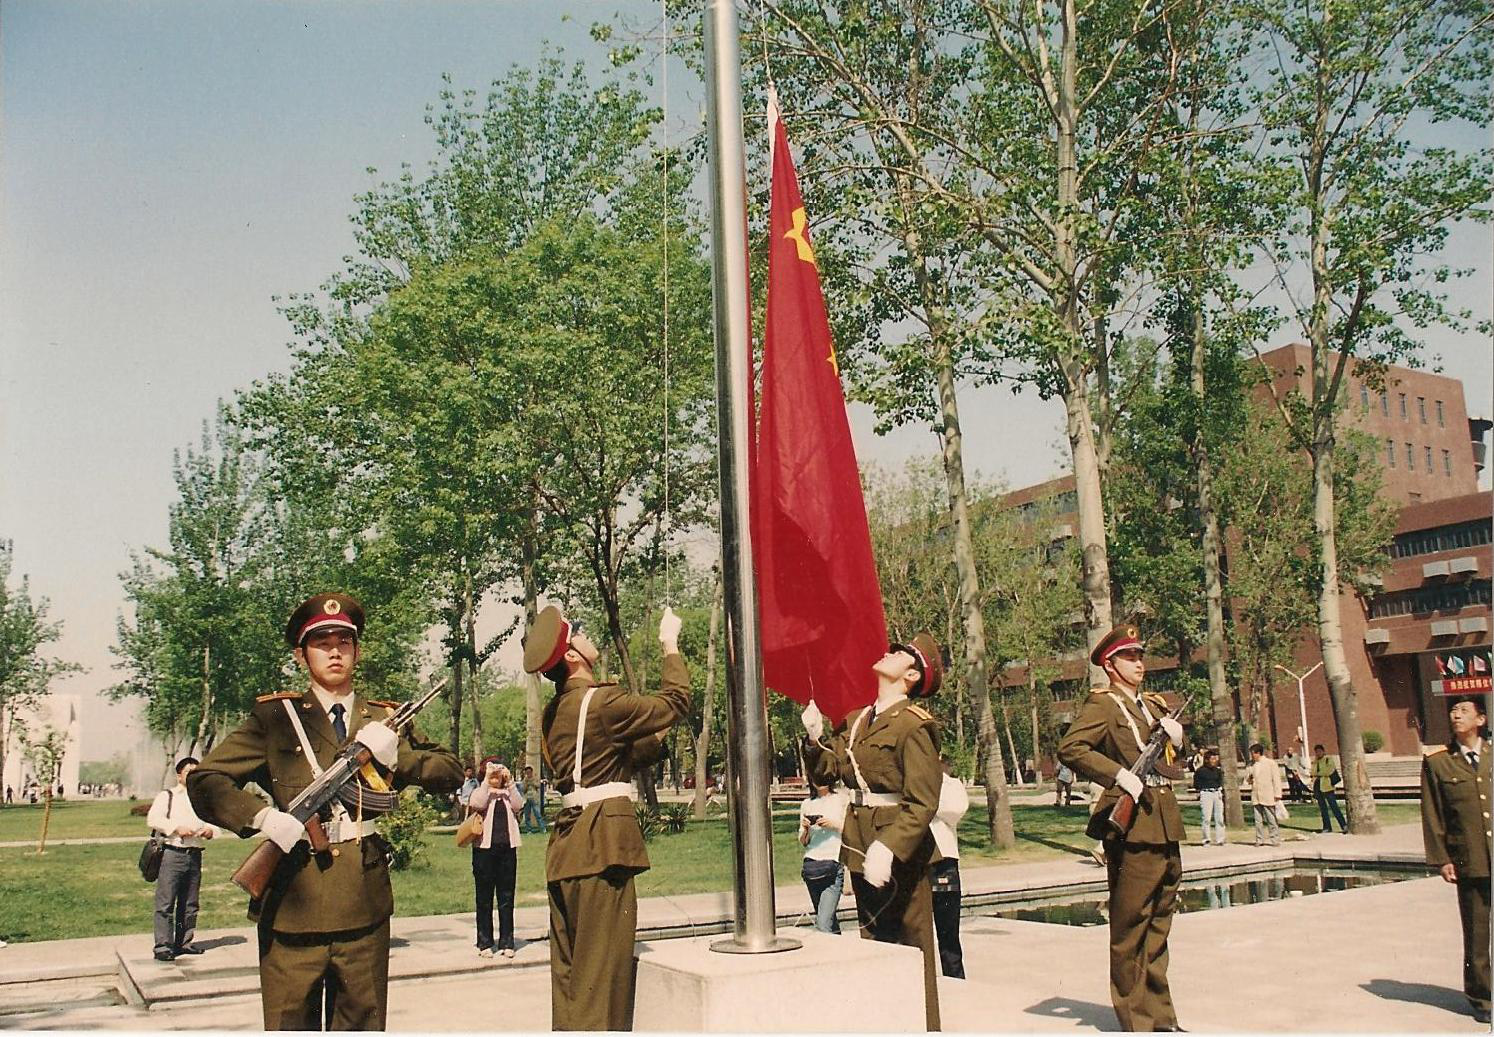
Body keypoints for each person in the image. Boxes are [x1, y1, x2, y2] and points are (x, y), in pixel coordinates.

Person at [187, 593, 464, 1031]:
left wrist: (397, 760)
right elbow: (205, 780)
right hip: (293, 901)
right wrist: (261, 817)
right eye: (321, 642)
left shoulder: (384, 719)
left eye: (344, 641)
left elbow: (450, 771)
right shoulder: (276, 717)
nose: (334, 650)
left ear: (357, 650)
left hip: (362, 902)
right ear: (302, 655)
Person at [527, 604, 690, 1031]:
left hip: (568, 849)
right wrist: (669, 645)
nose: (586, 635)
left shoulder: (558, 712)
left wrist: (656, 729)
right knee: (603, 979)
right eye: (578, 632)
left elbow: (619, 757)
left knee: (571, 979)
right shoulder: (601, 702)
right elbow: (677, 700)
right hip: (601, 850)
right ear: (572, 656)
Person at [802, 633, 946, 1031]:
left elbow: (922, 802)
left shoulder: (914, 725)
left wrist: (890, 847)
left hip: (900, 850)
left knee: (911, 947)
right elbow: (826, 772)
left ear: (912, 674)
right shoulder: (858, 720)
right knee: (876, 946)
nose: (889, 652)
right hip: (860, 843)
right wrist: (815, 740)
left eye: (900, 653)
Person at [1058, 625, 1186, 1033]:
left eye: (1140, 656)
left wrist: (1178, 741)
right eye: (1130, 658)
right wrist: (1116, 775)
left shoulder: (1152, 705)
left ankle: (1161, 1018)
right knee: (1131, 925)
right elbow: (1072, 749)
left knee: (1159, 925)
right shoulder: (1104, 705)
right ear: (1110, 665)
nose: (1140, 664)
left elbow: (1168, 763)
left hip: (1163, 819)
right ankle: (1136, 1021)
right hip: (1133, 824)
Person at [1420, 694, 1491, 1024]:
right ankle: (1482, 997)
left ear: (1481, 719)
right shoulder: (1438, 763)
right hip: (1470, 858)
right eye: (1452, 710)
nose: (1455, 715)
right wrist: (1443, 858)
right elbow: (1433, 815)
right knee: (1476, 931)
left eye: (1463, 710)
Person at [146, 756, 215, 961]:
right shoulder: (167, 796)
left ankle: (184, 942)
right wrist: (176, 828)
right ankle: (163, 946)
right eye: (188, 772)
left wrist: (209, 832)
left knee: (190, 903)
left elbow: (214, 824)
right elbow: (153, 819)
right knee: (166, 902)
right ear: (179, 775)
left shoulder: (202, 797)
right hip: (172, 853)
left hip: (194, 855)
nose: (193, 776)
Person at [468, 757, 523, 959]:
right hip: (484, 851)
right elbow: (476, 803)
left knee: (506, 897)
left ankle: (507, 941)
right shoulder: (481, 792)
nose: (496, 778)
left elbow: (519, 805)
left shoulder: (508, 794)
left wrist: (510, 783)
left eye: (499, 774)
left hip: (507, 850)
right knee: (484, 898)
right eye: (492, 774)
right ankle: (484, 943)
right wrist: (486, 781)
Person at [929, 757, 969, 979]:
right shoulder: (905, 780)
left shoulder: (951, 785)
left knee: (948, 932)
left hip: (943, 862)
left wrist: (925, 802)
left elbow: (955, 810)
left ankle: (955, 981)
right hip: (915, 862)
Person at [798, 779, 848, 934]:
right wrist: (806, 828)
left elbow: (851, 830)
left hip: (833, 864)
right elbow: (803, 841)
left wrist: (833, 824)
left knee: (823, 924)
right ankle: (841, 954)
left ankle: (824, 956)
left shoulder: (841, 799)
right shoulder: (807, 803)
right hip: (812, 867)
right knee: (828, 921)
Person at [1244, 743, 1283, 847]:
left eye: (1253, 754)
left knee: (1271, 818)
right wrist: (1249, 779)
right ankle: (1259, 839)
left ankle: (1275, 839)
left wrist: (1277, 793)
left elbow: (1276, 779)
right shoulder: (1251, 765)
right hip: (1256, 795)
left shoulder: (1270, 763)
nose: (1252, 756)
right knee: (1258, 820)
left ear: (1258, 753)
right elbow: (1248, 779)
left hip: (1268, 794)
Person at [1310, 743, 1348, 833]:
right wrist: (1317, 773)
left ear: (1323, 751)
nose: (1318, 753)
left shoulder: (1328, 759)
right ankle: (1327, 827)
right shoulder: (1315, 761)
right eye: (1316, 752)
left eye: (1319, 751)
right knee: (1323, 808)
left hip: (1328, 786)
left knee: (1334, 807)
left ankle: (1343, 825)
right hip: (1318, 786)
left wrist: (1318, 773)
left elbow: (1328, 771)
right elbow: (1312, 771)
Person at [1193, 748, 1226, 846]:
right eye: (1212, 759)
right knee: (1206, 818)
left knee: (1219, 817)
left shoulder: (1217, 771)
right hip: (1206, 793)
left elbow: (1220, 781)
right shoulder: (1200, 771)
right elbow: (1196, 784)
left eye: (1215, 759)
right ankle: (1206, 839)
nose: (1214, 761)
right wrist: (1201, 790)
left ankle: (1220, 839)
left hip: (1217, 793)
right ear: (1207, 760)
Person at [519, 766, 546, 833]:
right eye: (527, 773)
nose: (528, 774)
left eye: (529, 772)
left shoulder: (535, 778)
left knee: (538, 814)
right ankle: (529, 830)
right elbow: (523, 789)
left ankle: (542, 829)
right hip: (526, 799)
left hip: (534, 799)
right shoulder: (524, 780)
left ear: (531, 772)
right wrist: (526, 783)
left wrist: (532, 782)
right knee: (527, 816)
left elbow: (538, 785)